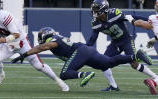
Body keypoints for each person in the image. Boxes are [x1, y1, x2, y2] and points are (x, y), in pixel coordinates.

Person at [11, 27, 152, 89]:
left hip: (80, 51)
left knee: (64, 74)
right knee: (106, 63)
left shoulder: (53, 39)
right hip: (86, 51)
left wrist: (25, 54)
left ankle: (84, 74)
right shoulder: (56, 38)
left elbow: (45, 46)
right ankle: (134, 56)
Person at [0, 0, 69, 91]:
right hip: (7, 44)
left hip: (21, 42)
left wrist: (4, 39)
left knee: (38, 66)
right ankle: (0, 74)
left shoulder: (3, 16)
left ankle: (58, 81)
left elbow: (16, 34)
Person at [87, 0, 158, 91]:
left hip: (126, 40)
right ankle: (113, 86)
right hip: (115, 43)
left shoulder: (114, 13)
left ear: (104, 9)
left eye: (96, 9)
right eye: (94, 9)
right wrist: (85, 48)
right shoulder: (95, 22)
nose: (94, 12)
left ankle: (155, 77)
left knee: (134, 64)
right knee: (103, 63)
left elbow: (132, 17)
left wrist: (150, 22)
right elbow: (93, 38)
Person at [126, 0, 158, 95]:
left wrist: (131, 19)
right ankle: (154, 81)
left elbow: (140, 23)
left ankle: (154, 81)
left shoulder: (154, 18)